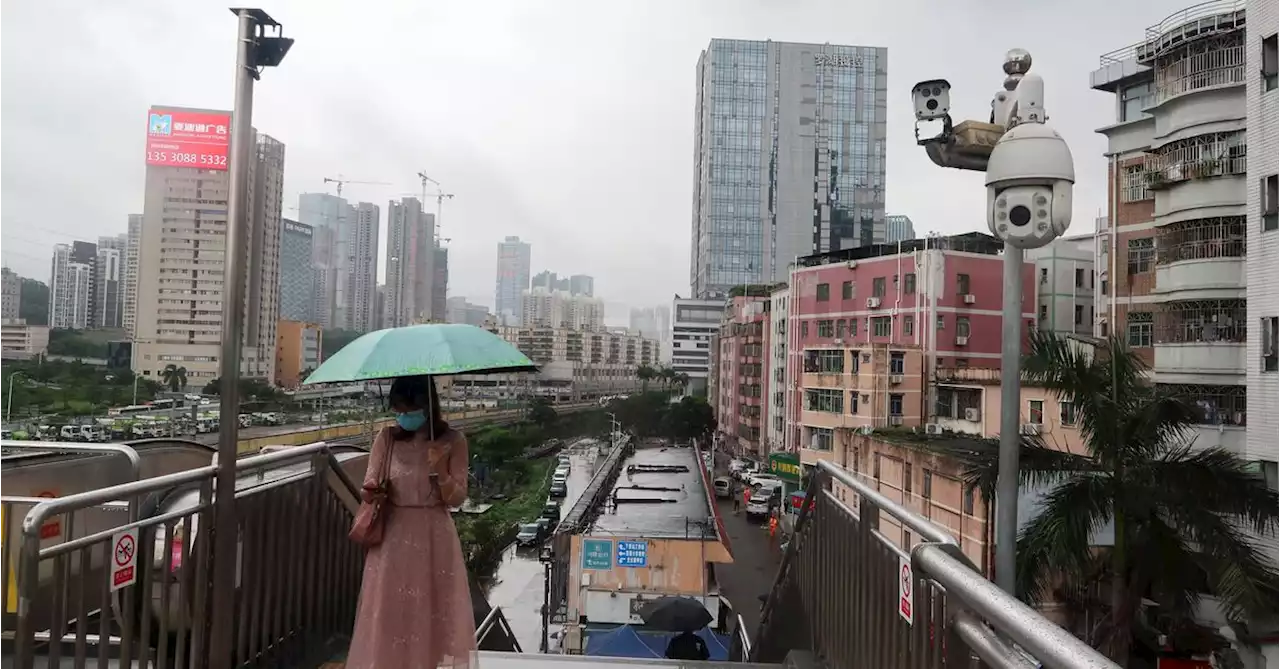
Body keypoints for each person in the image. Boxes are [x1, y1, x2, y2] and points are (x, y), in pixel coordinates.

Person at [346, 375, 476, 669]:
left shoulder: (453, 441)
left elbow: (457, 498)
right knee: (389, 612)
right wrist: (375, 488)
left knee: (433, 612)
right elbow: (370, 482)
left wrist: (440, 470)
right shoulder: (386, 438)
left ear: (427, 405)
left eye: (409, 409)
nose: (403, 416)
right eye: (399, 410)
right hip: (392, 534)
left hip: (434, 535)